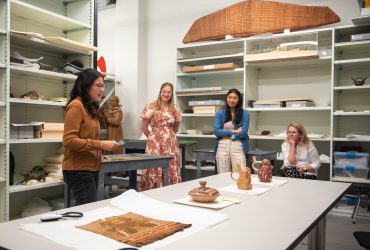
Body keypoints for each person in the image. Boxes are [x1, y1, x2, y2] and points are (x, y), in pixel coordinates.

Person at [62, 68, 120, 205]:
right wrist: (100, 145)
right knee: (88, 212)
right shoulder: (76, 106)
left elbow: (89, 137)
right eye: (98, 85)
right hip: (78, 170)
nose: (102, 90)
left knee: (87, 211)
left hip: (90, 167)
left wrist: (99, 152)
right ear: (86, 86)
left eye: (103, 86)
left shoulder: (90, 108)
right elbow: (69, 141)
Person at [140, 82, 181, 190]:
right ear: (160, 92)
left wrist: (168, 135)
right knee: (154, 165)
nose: (166, 94)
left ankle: (171, 191)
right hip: (155, 144)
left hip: (170, 144)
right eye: (164, 91)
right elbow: (144, 127)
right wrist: (154, 138)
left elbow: (176, 128)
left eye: (169, 92)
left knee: (171, 165)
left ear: (172, 94)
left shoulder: (175, 108)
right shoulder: (151, 106)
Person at [214, 88, 250, 173]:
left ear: (239, 100)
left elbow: (244, 132)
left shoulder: (245, 113)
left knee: (240, 173)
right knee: (223, 174)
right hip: (222, 144)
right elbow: (217, 131)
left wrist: (233, 136)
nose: (232, 100)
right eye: (229, 97)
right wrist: (233, 131)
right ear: (226, 98)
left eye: (235, 98)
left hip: (238, 144)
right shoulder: (219, 113)